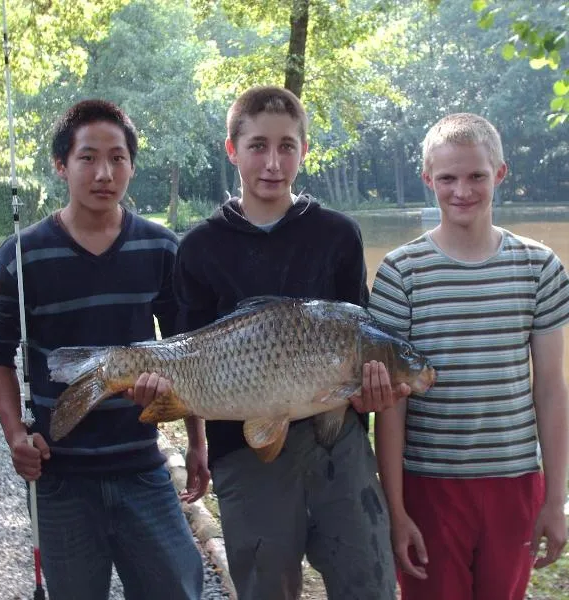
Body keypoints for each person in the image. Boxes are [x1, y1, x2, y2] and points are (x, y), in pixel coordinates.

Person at [134, 85, 404, 600]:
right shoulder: (199, 247)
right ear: (232, 150)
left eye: (287, 146)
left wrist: (370, 391)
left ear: (304, 150)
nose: (273, 162)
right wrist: (196, 443)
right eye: (258, 145)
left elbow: (360, 334)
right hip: (242, 446)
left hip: (337, 439)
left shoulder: (338, 235)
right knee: (266, 587)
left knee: (369, 580)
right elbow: (187, 354)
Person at [0, 99, 207, 600]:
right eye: (87, 157)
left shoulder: (162, 248)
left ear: (131, 164)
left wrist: (196, 441)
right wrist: (16, 434)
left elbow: (187, 350)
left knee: (178, 588)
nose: (104, 172)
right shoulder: (23, 255)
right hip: (60, 475)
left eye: (118, 158)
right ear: (62, 165)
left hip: (142, 466)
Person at [370, 113, 569, 600]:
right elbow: (394, 402)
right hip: (429, 484)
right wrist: (397, 511)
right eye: (448, 178)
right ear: (428, 180)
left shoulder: (540, 266)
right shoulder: (401, 272)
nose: (462, 190)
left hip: (515, 480)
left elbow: (550, 386)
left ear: (499, 174)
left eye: (476, 175)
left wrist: (555, 499)